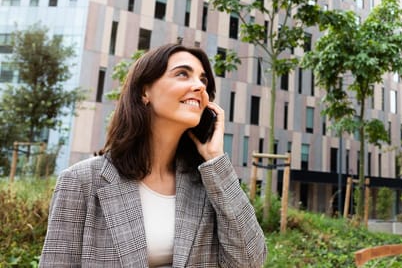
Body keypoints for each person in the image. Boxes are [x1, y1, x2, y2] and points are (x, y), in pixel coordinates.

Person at [40, 44, 267, 267]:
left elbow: (250, 261)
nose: (199, 86)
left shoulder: (208, 183)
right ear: (144, 91)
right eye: (182, 74)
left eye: (203, 80)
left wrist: (215, 157)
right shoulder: (82, 181)